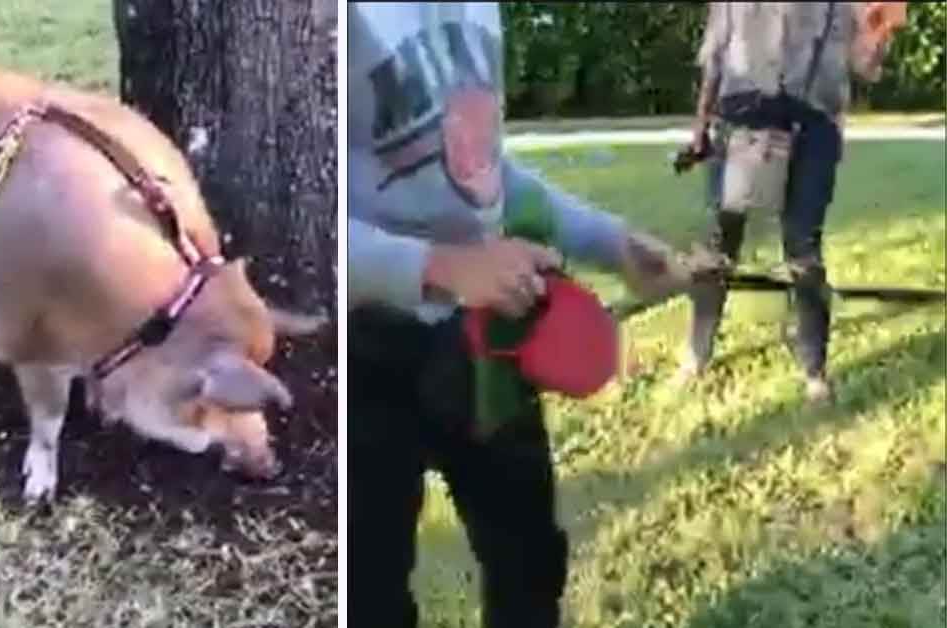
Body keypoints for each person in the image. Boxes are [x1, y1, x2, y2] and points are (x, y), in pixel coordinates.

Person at [346, 3, 689, 626]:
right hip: (358, 358)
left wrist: (613, 243)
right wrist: (441, 265)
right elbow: (290, 220)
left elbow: (483, 171)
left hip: (485, 340)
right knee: (368, 596)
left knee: (529, 560)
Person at [678, 2, 906, 402]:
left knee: (803, 245)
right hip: (740, 116)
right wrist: (699, 130)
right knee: (719, 242)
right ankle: (696, 356)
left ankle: (814, 371)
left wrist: (881, 28)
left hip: (814, 128)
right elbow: (714, 59)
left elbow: (865, 67)